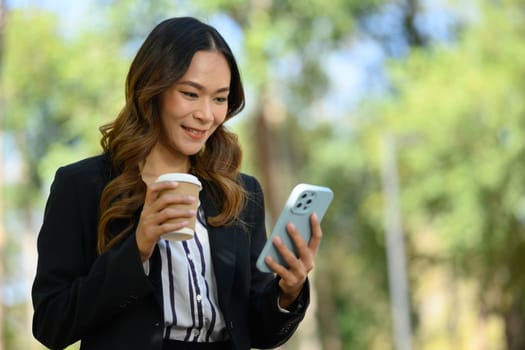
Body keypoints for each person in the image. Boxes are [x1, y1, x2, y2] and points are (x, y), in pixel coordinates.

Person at [31, 17, 324, 350]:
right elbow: (50, 323)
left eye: (219, 99)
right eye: (190, 93)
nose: (206, 114)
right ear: (152, 89)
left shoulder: (241, 193)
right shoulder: (81, 186)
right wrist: (137, 250)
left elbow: (255, 329)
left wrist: (287, 294)